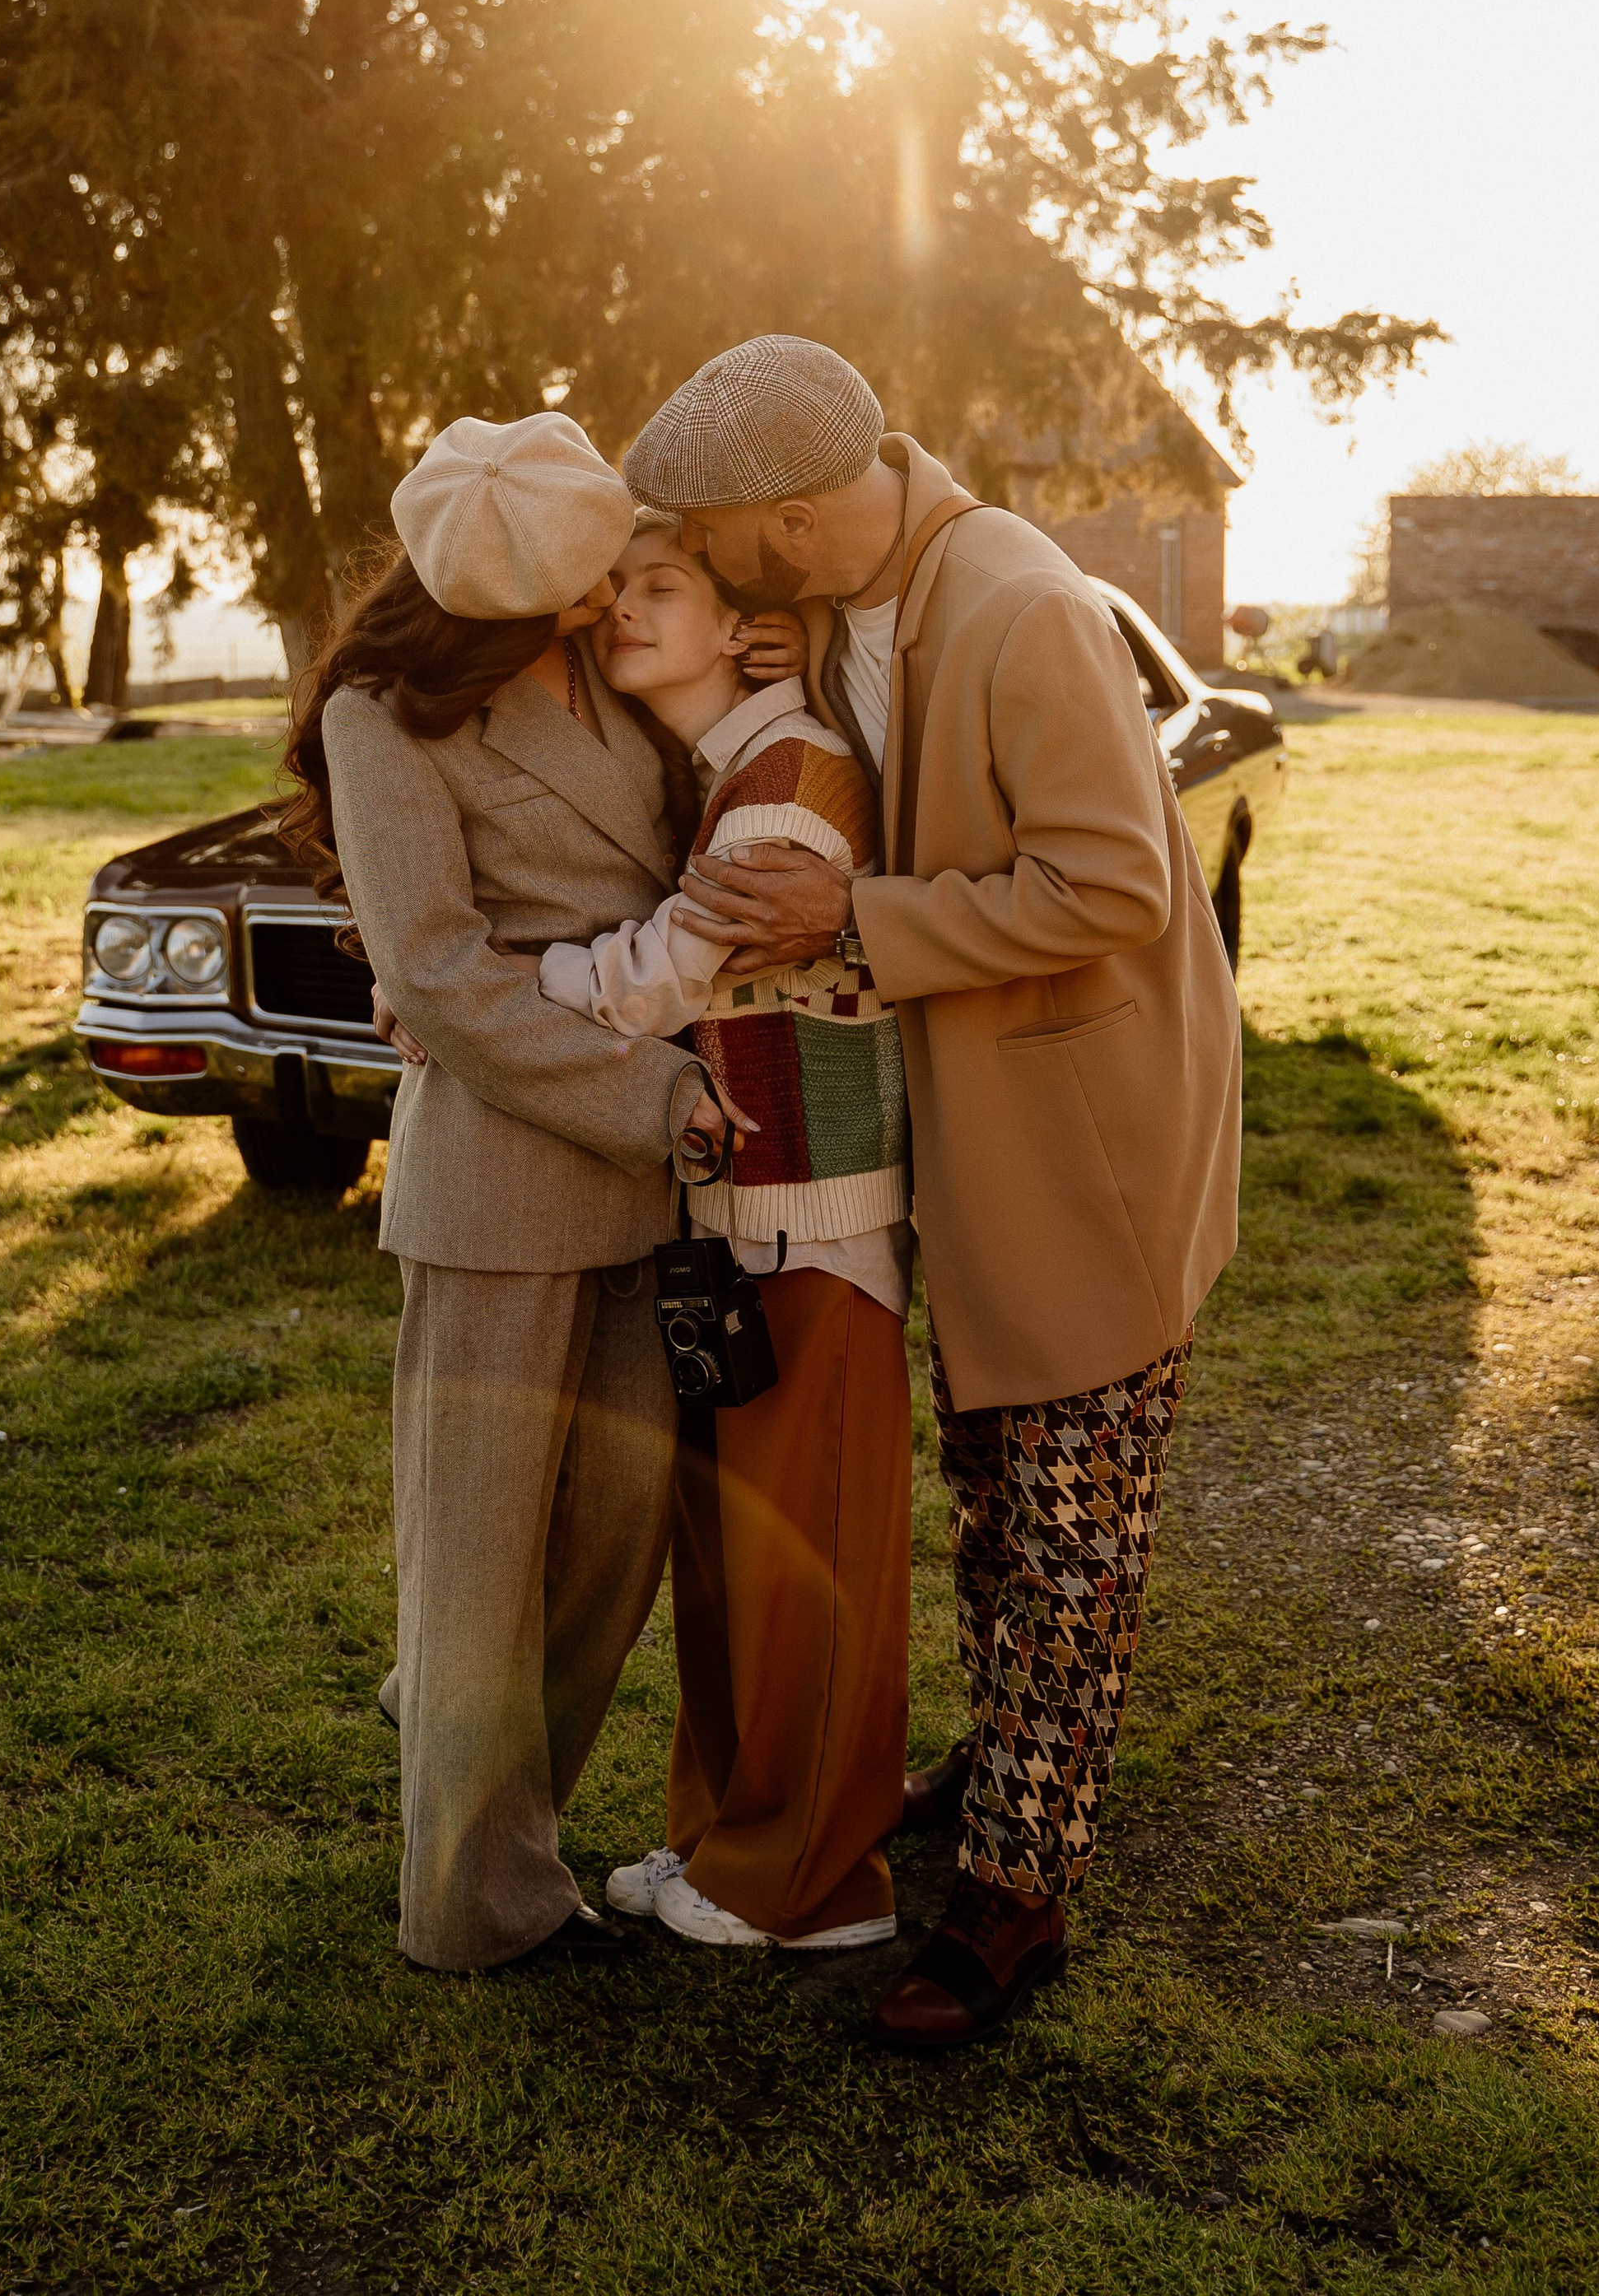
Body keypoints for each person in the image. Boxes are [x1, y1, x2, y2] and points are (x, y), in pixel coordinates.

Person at [622, 337, 1242, 2051]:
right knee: (988, 1492)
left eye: (717, 543)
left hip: (1086, 1138)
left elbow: (1113, 883)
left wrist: (857, 922)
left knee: (1066, 1530)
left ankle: (1013, 1898)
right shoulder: (849, 598)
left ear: (793, 520)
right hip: (970, 1137)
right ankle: (1001, 1766)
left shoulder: (1023, 607)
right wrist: (780, 654)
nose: (707, 570)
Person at [280, 410, 739, 1974]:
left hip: (650, 1194)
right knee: (480, 1565)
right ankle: (477, 1905)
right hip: (504, 1181)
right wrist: (656, 1099)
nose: (617, 589)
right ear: (510, 597)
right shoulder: (380, 717)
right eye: (589, 578)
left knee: (611, 1553)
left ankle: (468, 1752)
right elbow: (439, 976)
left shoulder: (624, 662)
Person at [535, 515, 912, 1952]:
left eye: (662, 587)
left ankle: (811, 1885)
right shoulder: (721, 776)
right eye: (615, 590)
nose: (622, 610)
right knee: (733, 1566)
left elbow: (658, 978)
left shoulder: (790, 784)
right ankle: (720, 1841)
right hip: (742, 1230)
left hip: (820, 1229)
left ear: (738, 617)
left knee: (810, 1569)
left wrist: (471, 987)